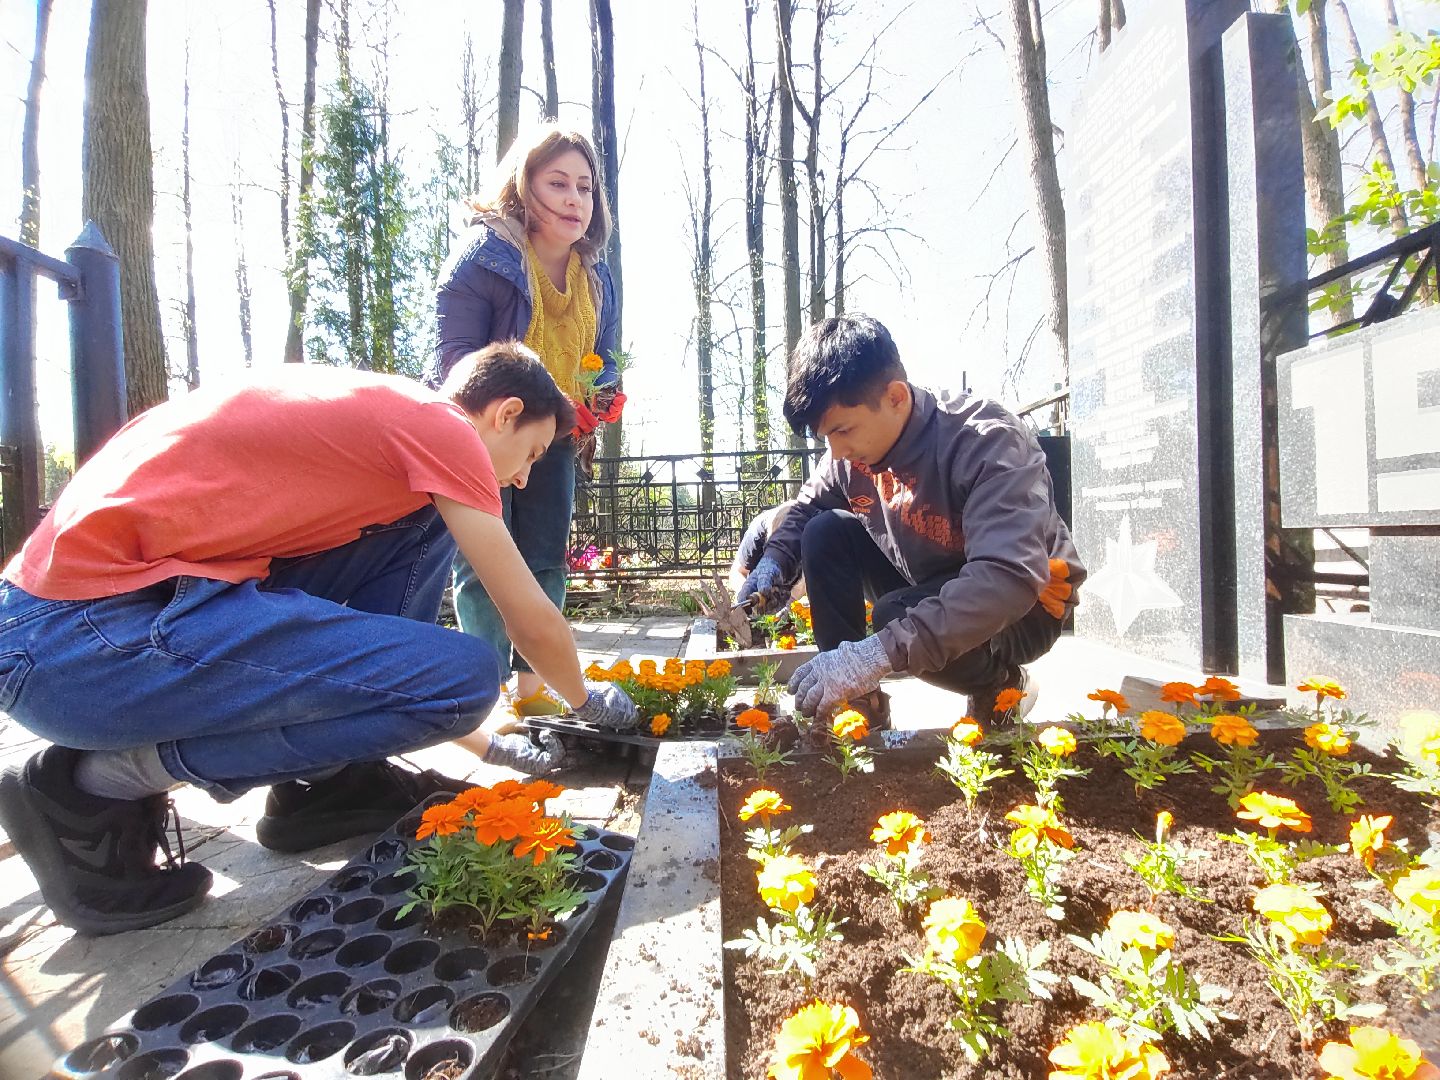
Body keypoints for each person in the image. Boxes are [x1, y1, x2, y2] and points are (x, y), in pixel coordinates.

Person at [0, 343, 637, 936]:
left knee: (427, 530)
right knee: (469, 674)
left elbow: (391, 685)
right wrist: (588, 704)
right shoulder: (440, 428)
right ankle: (89, 787)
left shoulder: (391, 423)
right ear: (506, 412)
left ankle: (325, 785)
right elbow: (524, 617)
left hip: (84, 625)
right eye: (531, 454)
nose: (525, 478)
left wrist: (496, 750)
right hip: (73, 647)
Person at [735, 315, 1084, 728]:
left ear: (896, 397)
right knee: (823, 531)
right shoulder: (851, 455)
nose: (838, 451)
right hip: (929, 579)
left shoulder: (987, 440)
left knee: (893, 618)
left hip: (1026, 604)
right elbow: (808, 507)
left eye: (843, 430)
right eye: (827, 437)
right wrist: (775, 562)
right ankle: (859, 708)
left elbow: (1006, 578)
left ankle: (1002, 686)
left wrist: (873, 654)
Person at [429, 124, 623, 724]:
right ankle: (485, 702)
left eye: (585, 188)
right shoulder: (484, 261)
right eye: (557, 183)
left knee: (544, 560)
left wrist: (604, 395)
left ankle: (536, 691)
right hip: (484, 438)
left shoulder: (598, 278)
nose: (574, 200)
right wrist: (514, 403)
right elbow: (453, 361)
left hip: (555, 440)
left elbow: (604, 355)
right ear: (522, 189)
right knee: (485, 564)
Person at [727, 502, 806, 600]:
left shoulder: (816, 533)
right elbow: (737, 573)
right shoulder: (756, 534)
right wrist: (749, 597)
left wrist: (791, 604)